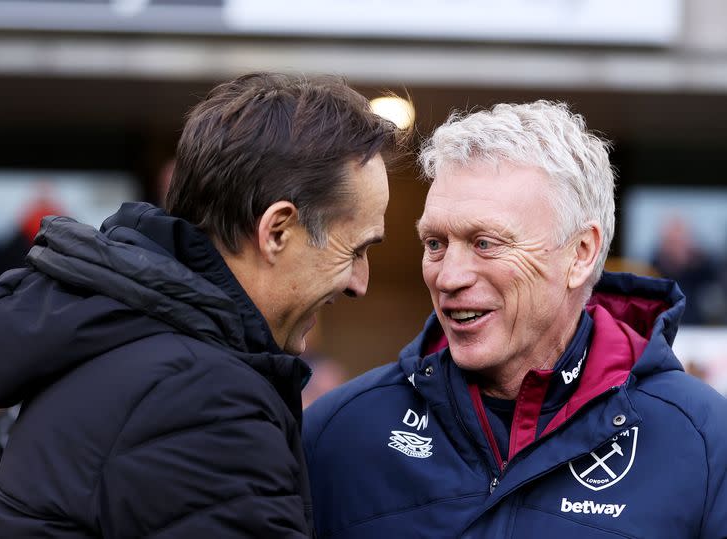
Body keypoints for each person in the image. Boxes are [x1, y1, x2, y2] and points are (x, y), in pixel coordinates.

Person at [0, 72, 398, 538]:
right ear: (277, 232)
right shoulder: (205, 401)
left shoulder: (123, 337)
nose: (359, 283)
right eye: (356, 250)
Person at [303, 101, 727, 538]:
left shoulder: (704, 440)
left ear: (580, 253)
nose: (449, 276)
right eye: (435, 243)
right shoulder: (337, 433)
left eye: (485, 243)